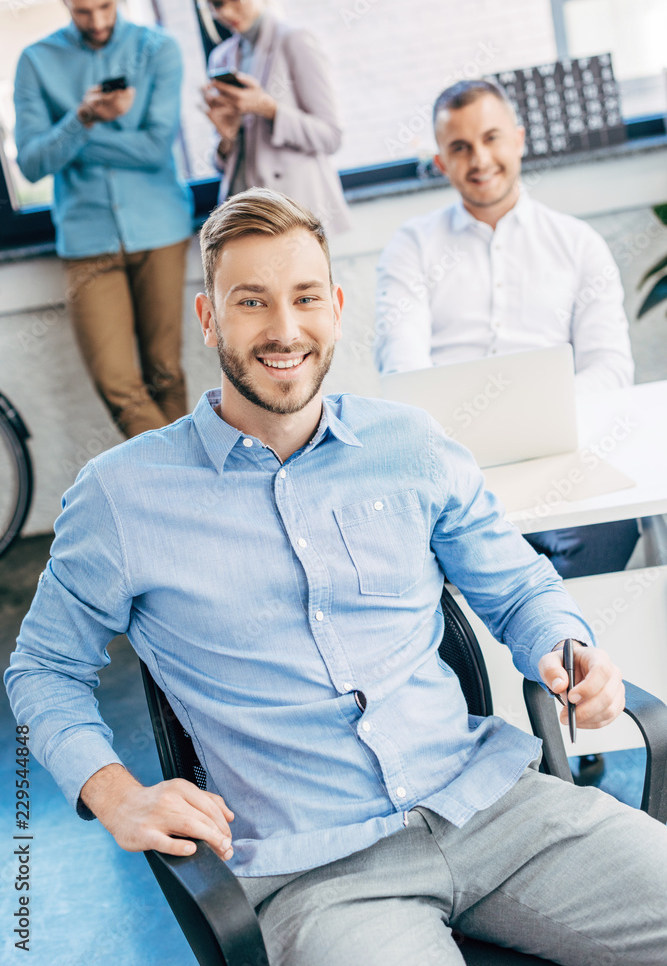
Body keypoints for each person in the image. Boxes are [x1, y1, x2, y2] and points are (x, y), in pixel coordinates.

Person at [6, 188, 666, 966]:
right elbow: (42, 669)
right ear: (208, 319)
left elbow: (518, 586)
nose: (284, 330)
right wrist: (114, 792)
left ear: (336, 307)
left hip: (495, 807)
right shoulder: (122, 496)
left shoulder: (410, 444)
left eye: (305, 297)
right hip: (317, 873)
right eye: (250, 302)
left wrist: (565, 644)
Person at [374, 79, 638, 579]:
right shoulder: (412, 247)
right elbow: (402, 369)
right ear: (441, 163)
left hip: (565, 458)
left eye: (491, 138)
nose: (479, 159)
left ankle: (572, 653)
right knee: (427, 550)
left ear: (518, 139)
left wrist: (538, 418)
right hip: (454, 469)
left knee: (613, 528)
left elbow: (612, 368)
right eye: (460, 147)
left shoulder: (579, 244)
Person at [14, 0, 193, 438]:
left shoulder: (158, 49)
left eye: (105, 7)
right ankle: (187, 489)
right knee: (117, 384)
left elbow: (155, 149)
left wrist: (70, 144)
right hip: (88, 241)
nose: (96, 21)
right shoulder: (36, 60)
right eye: (82, 10)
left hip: (160, 231)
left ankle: (195, 502)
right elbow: (31, 163)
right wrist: (83, 118)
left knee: (166, 373)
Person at [200, 0, 351, 235]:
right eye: (216, 3)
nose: (225, 12)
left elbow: (331, 136)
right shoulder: (221, 58)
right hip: (245, 210)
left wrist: (268, 109)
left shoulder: (295, 40)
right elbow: (227, 163)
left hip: (295, 210)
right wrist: (227, 137)